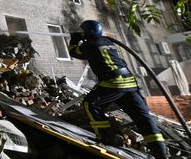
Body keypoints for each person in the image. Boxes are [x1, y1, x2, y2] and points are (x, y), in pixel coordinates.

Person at [69, 20, 169, 158]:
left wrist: (74, 39)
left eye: (83, 31)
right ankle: (161, 154)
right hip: (129, 82)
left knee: (90, 103)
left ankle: (106, 137)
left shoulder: (90, 45)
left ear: (88, 32)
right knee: (143, 117)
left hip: (114, 82)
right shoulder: (109, 43)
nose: (82, 33)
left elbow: (74, 52)